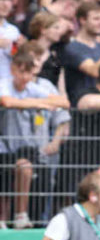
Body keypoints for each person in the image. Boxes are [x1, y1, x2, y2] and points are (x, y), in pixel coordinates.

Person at [0, 49, 70, 229]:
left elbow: (63, 103)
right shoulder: (5, 84)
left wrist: (40, 102)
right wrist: (38, 103)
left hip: (26, 147)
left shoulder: (34, 88)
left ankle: (21, 216)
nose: (24, 77)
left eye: (28, 73)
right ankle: (3, 219)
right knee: (5, 180)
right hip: (4, 145)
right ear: (13, 70)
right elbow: (7, 102)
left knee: (25, 168)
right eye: (20, 71)